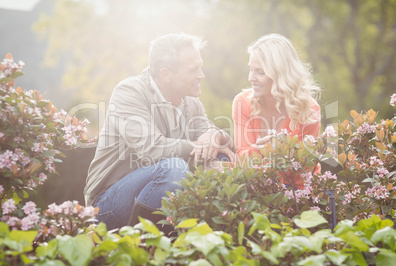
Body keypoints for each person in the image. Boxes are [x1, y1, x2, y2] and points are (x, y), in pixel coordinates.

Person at [84, 33, 234, 232]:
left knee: (222, 158)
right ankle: (143, 248)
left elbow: (209, 131)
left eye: (201, 67)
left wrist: (215, 136)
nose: (201, 75)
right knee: (173, 168)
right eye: (193, 69)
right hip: (107, 206)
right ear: (165, 74)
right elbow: (152, 149)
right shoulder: (130, 92)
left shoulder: (189, 100)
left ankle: (211, 239)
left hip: (157, 197)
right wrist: (202, 144)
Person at [232, 33, 321, 188]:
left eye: (260, 72)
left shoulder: (308, 110)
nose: (251, 78)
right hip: (256, 188)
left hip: (298, 192)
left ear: (280, 74)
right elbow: (241, 159)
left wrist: (270, 156)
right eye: (251, 70)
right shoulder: (242, 102)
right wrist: (259, 152)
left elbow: (302, 173)